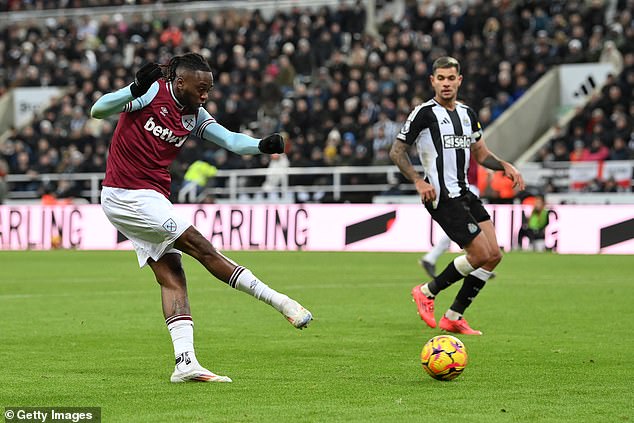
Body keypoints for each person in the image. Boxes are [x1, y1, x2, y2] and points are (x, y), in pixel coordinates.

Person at [90, 53, 312, 383]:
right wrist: (134, 88)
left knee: (173, 275)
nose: (205, 94)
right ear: (180, 83)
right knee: (200, 246)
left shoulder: (194, 116)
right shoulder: (151, 92)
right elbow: (99, 110)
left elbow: (232, 141)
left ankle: (185, 363)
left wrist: (263, 146)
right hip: (127, 194)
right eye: (201, 88)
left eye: (208, 88)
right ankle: (281, 302)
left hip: (150, 198)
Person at [389, 56, 524, 336]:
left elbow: (481, 154)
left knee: (494, 255)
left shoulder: (467, 114)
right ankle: (426, 291)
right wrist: (417, 181)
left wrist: (504, 165)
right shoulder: (424, 113)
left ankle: (453, 316)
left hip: (464, 193)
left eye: (451, 78)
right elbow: (397, 151)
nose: (446, 84)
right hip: (441, 196)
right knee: (480, 253)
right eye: (441, 78)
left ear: (459, 80)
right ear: (432, 81)